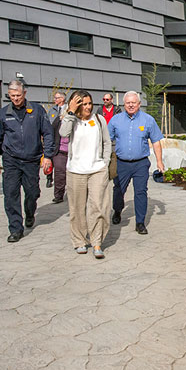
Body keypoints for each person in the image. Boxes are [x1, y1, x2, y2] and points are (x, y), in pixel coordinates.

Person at [0, 79, 54, 242]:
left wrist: (47, 156)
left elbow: (48, 133)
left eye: (18, 95)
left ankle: (30, 212)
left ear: (24, 93)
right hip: (11, 160)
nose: (16, 98)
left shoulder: (37, 111)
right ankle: (16, 228)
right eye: (12, 96)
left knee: (32, 192)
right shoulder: (3, 114)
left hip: (32, 159)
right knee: (10, 194)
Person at [59, 90, 112, 259]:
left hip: (97, 169)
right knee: (77, 209)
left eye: (90, 103)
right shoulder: (70, 119)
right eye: (84, 104)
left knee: (98, 207)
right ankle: (80, 241)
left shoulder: (99, 119)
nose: (88, 107)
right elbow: (63, 133)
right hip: (75, 171)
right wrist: (70, 111)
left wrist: (105, 162)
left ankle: (97, 242)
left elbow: (106, 142)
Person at [108, 91, 166, 235]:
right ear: (124, 104)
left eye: (134, 102)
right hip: (121, 163)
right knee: (118, 190)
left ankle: (140, 222)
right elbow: (106, 140)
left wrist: (159, 161)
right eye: (128, 103)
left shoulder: (148, 120)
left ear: (139, 104)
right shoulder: (115, 120)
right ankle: (117, 211)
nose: (131, 105)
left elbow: (156, 141)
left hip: (140, 163)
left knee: (140, 192)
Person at [47, 91, 66, 189]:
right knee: (50, 160)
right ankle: (49, 178)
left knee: (60, 167)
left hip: (63, 141)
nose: (55, 100)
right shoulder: (52, 110)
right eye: (54, 98)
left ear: (62, 99)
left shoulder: (67, 110)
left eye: (57, 98)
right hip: (52, 138)